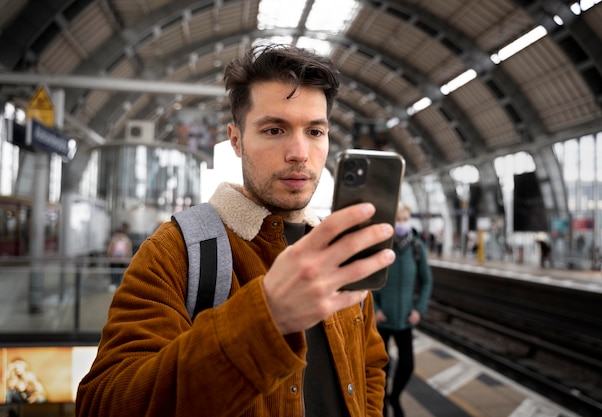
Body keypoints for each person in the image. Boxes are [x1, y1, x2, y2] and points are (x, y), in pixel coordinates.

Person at [76, 44, 395, 416]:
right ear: (236, 140)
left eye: (315, 131)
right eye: (274, 129)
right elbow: (105, 403)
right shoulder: (176, 250)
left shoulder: (338, 249)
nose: (299, 152)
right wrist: (267, 318)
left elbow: (369, 365)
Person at [373, 203, 433, 417]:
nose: (402, 224)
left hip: (405, 318)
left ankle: (395, 396)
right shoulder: (382, 246)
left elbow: (426, 281)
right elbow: (370, 280)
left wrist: (419, 309)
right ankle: (381, 404)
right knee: (381, 367)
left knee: (407, 364)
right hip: (381, 319)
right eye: (398, 219)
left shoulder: (417, 248)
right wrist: (375, 309)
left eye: (405, 219)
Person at [105, 222, 133, 291]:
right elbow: (129, 249)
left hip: (117, 259)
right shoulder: (125, 239)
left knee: (118, 272)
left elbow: (109, 249)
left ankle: (116, 284)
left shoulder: (117, 239)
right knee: (117, 272)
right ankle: (117, 284)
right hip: (119, 259)